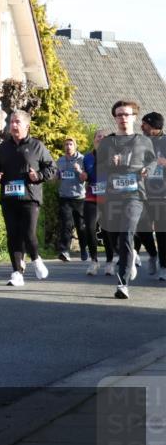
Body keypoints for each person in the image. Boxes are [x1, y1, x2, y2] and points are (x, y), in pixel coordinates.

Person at [0, 109, 56, 287]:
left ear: (27, 125)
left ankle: (36, 258)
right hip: (9, 198)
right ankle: (17, 272)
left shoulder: (37, 146)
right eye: (11, 122)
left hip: (29, 197)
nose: (14, 125)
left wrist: (38, 175)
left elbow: (52, 168)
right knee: (13, 235)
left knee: (28, 233)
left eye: (17, 122)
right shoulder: (3, 147)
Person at [98, 100, 158, 299]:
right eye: (119, 115)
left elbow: (152, 161)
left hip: (135, 196)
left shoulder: (144, 141)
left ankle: (122, 284)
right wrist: (109, 163)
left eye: (126, 114)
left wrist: (146, 170)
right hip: (113, 196)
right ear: (115, 118)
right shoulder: (108, 142)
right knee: (114, 237)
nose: (123, 118)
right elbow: (100, 168)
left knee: (126, 233)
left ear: (133, 117)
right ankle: (129, 257)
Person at [82, 129, 114, 276]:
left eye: (104, 137)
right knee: (89, 228)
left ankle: (109, 261)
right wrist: (83, 176)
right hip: (91, 197)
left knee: (107, 231)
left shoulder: (112, 156)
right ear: (94, 140)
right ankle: (94, 261)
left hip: (107, 198)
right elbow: (86, 176)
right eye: (98, 136)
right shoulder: (87, 158)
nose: (101, 139)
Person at [138, 112, 165, 280]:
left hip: (162, 193)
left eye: (144, 124)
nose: (142, 127)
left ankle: (163, 266)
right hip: (142, 191)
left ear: (153, 125)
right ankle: (153, 255)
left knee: (162, 232)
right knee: (141, 226)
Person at [54, 137, 88, 262]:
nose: (68, 147)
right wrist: (56, 175)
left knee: (81, 226)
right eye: (66, 144)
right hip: (64, 197)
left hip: (79, 197)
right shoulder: (61, 160)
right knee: (66, 224)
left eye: (71, 144)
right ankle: (64, 250)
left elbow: (85, 178)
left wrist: (79, 170)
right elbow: (56, 178)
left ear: (75, 146)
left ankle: (84, 248)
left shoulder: (82, 159)